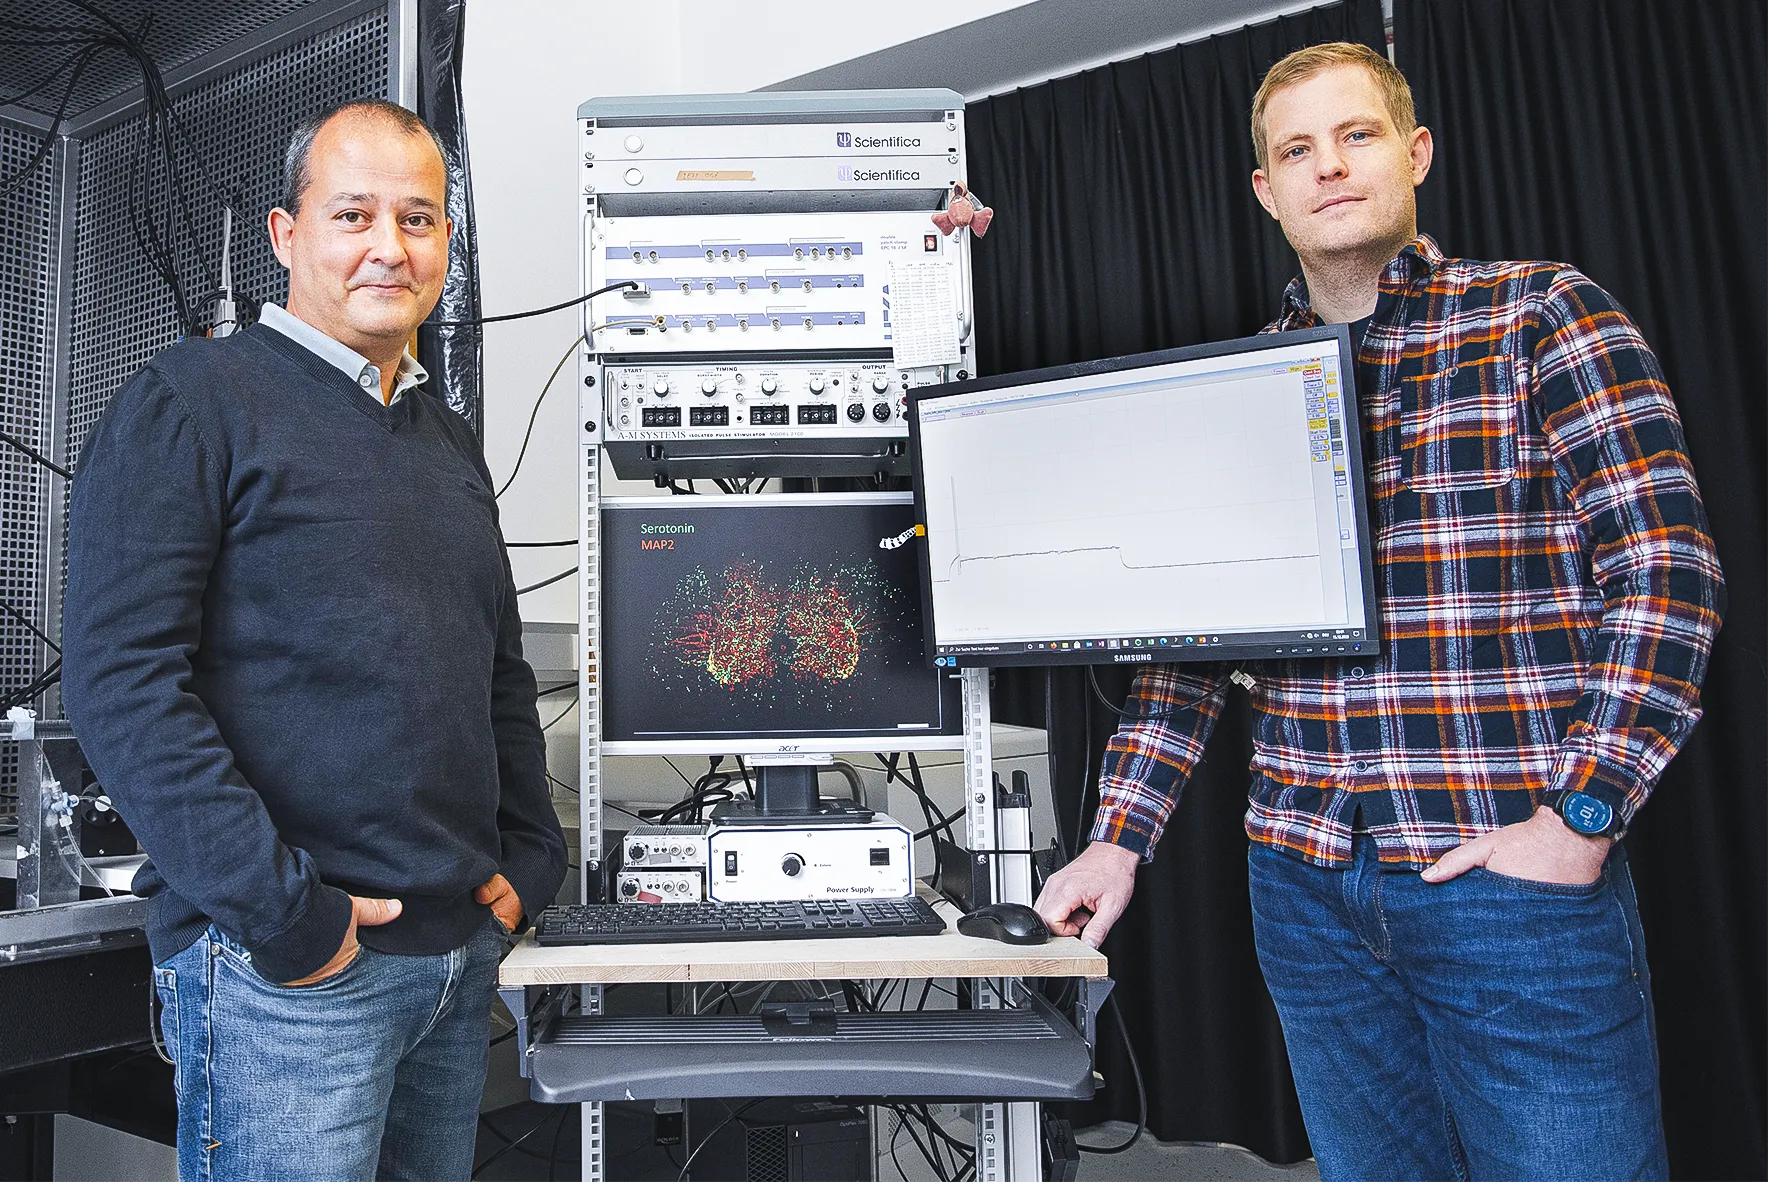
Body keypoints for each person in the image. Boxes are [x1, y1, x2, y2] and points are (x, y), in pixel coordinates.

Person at [1033, 42, 1723, 1182]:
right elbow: (1197, 647)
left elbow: (1667, 575)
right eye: (1295, 150)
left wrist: (1582, 817)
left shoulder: (1541, 317)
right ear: (1266, 191)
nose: (1329, 167)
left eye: (1355, 136)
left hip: (1505, 886)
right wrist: (1118, 837)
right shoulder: (1244, 385)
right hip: (1302, 889)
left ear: (1414, 153)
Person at [61, 100, 567, 1181]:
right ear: (289, 238)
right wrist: (285, 916)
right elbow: (120, 686)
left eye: (420, 220)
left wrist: (532, 853)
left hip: (450, 963)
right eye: (354, 214)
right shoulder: (191, 402)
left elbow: (498, 671)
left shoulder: (447, 441)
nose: (390, 245)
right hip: (286, 977)